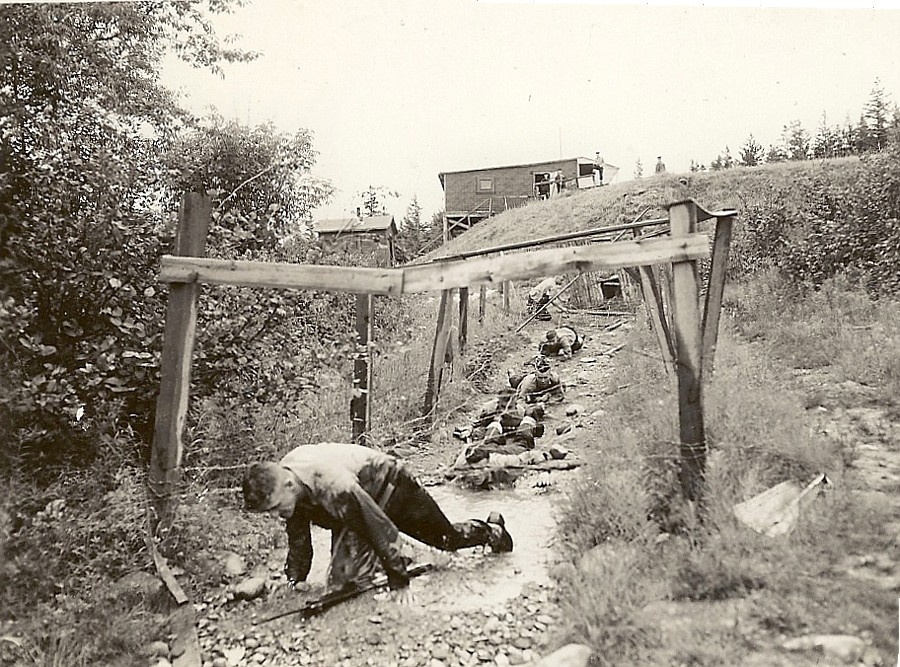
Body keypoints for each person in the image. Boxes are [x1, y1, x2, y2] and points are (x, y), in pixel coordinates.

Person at [242, 443, 514, 592]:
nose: (278, 514)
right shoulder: (286, 482)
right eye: (271, 512)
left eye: (278, 506)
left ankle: (491, 530)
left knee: (445, 539)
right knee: (343, 581)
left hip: (393, 485)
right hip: (352, 500)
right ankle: (372, 567)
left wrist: (396, 572)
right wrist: (295, 581)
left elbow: (374, 523)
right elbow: (298, 538)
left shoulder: (331, 483)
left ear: (289, 485)